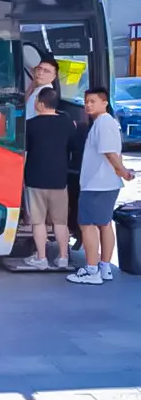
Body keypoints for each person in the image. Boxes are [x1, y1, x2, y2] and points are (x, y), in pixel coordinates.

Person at [67, 87, 134, 285]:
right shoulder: (107, 123)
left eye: (93, 101)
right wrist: (121, 171)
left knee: (87, 225)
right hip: (107, 183)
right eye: (86, 101)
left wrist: (122, 171)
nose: (88, 105)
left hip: (97, 184)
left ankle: (91, 270)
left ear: (105, 102)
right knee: (104, 224)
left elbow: (110, 153)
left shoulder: (103, 123)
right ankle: (104, 268)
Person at [23, 88, 77, 270]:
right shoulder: (67, 122)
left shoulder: (30, 125)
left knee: (38, 222)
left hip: (35, 179)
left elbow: (25, 151)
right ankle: (63, 257)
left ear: (39, 103)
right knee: (60, 222)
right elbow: (73, 146)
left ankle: (41, 258)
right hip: (59, 179)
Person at [25, 55, 59, 121]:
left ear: (54, 76)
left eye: (46, 71)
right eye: (39, 69)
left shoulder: (47, 94)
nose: (40, 73)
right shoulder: (37, 87)